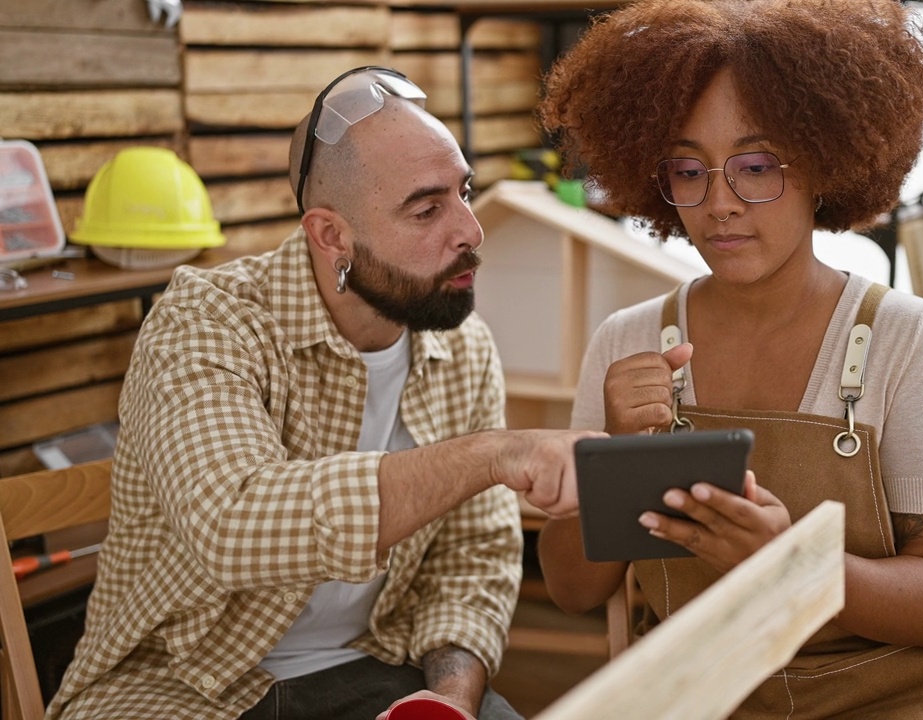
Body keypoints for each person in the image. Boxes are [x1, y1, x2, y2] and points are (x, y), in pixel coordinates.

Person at [48, 66, 597, 720]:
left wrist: (447, 700)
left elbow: (473, 560)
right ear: (331, 235)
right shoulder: (205, 323)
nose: (471, 231)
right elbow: (233, 523)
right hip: (176, 686)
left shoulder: (462, 345)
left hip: (373, 666)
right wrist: (489, 456)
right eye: (426, 209)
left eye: (465, 192)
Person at [535, 1, 923, 717]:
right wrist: (614, 459)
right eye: (689, 170)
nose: (720, 203)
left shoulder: (913, 343)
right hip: (700, 697)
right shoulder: (629, 343)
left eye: (756, 166)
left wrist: (793, 566)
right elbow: (573, 591)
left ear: (824, 161)